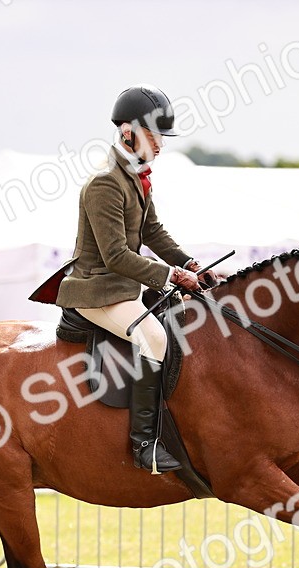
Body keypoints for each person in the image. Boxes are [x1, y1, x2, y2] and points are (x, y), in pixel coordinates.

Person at [54, 85, 211, 473]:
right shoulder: (105, 183)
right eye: (154, 135)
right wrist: (171, 275)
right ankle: (145, 446)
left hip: (123, 287)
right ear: (128, 132)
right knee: (154, 337)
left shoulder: (136, 176)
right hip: (97, 291)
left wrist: (190, 264)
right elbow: (116, 256)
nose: (160, 145)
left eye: (160, 137)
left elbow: (153, 232)